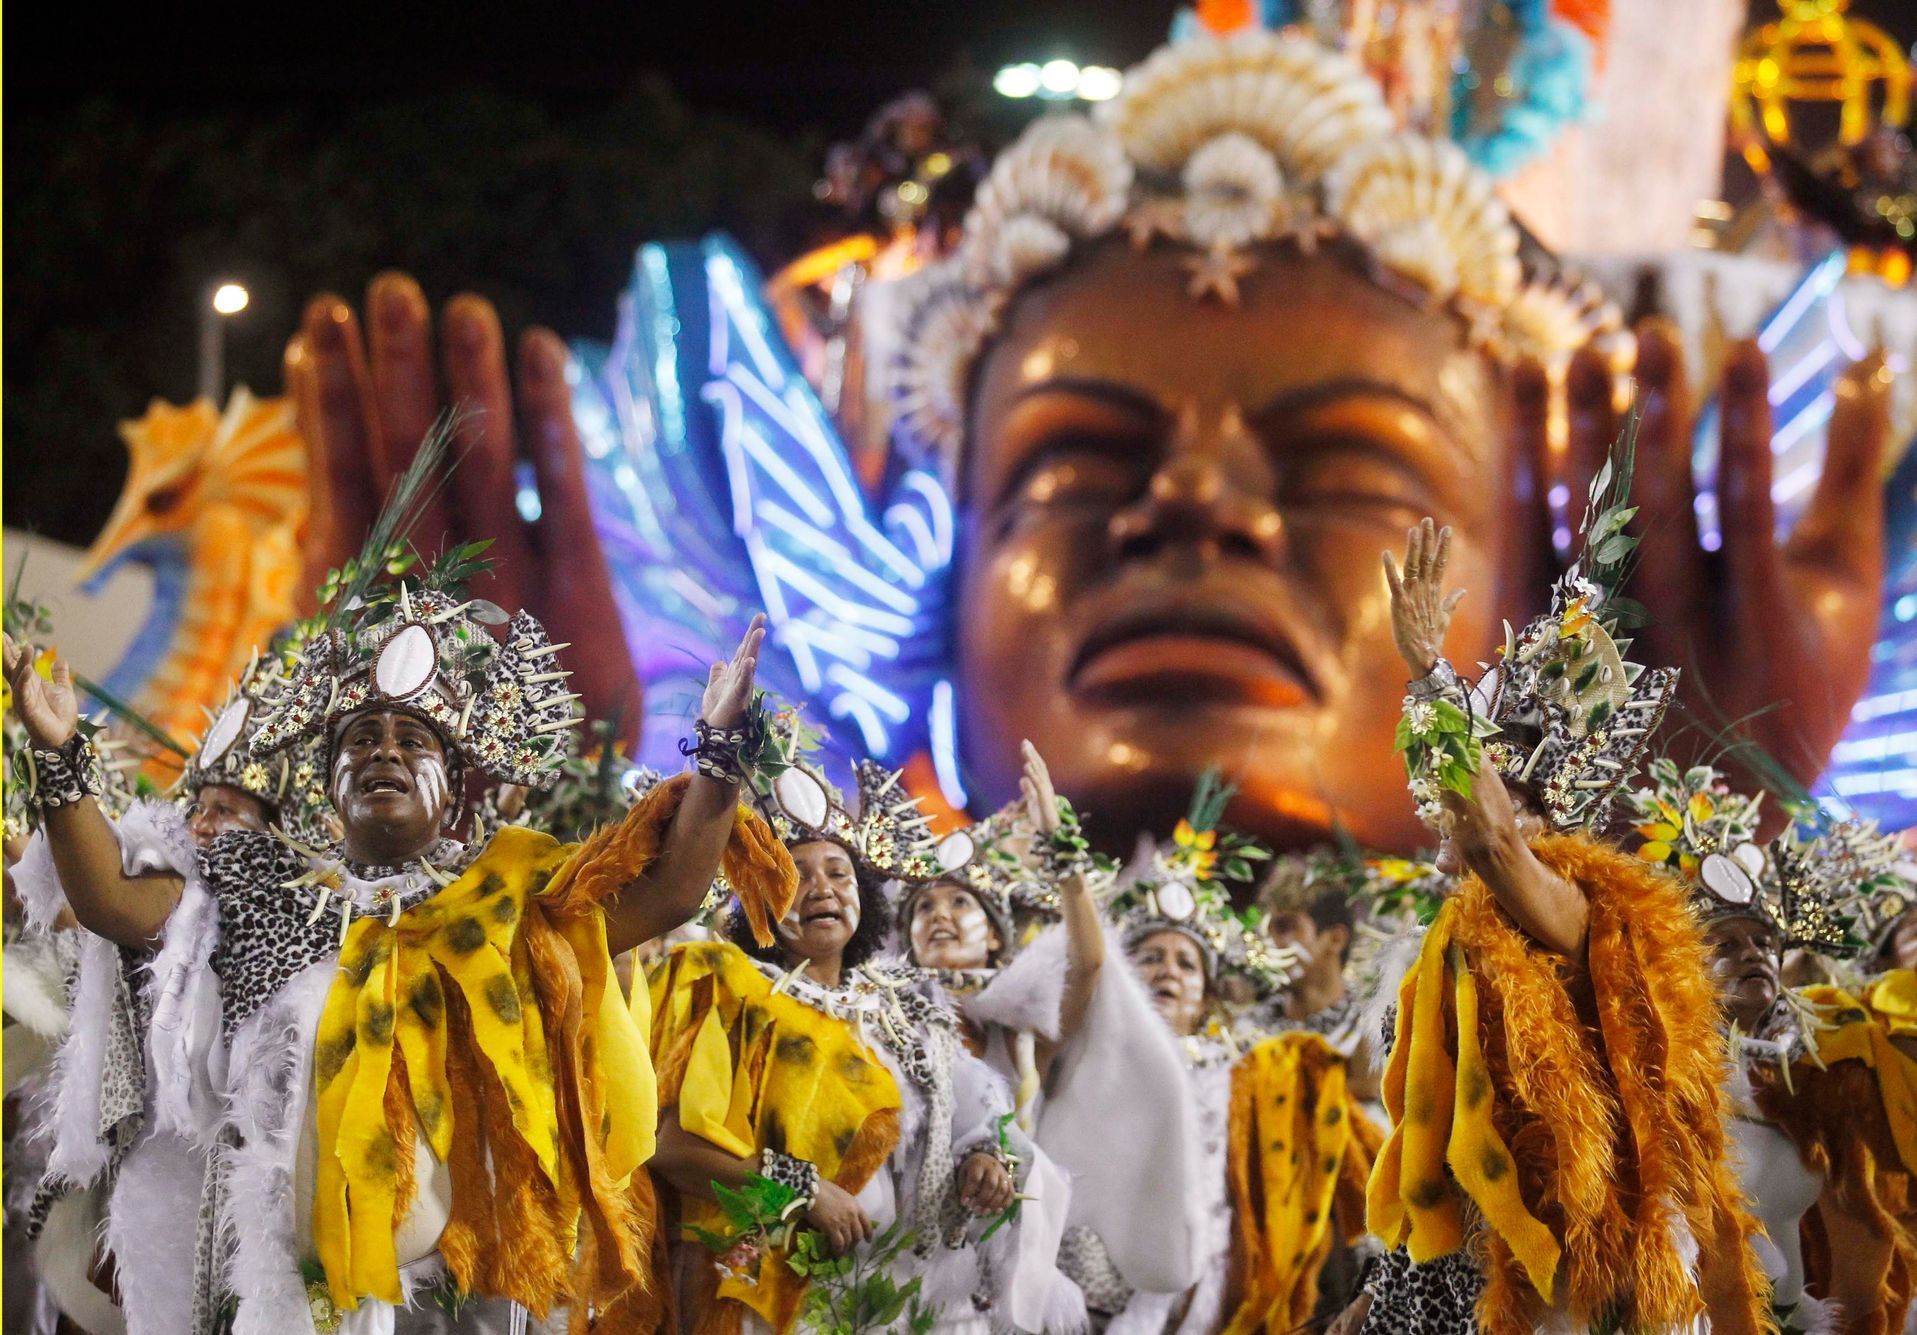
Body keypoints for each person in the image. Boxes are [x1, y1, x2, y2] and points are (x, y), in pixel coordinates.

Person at [284, 25, 1893, 861]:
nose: (1194, 501)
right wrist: (476, 868)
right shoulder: (791, 1046)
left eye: (1345, 464)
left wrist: (1683, 845)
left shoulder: (1552, 1069)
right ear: (943, 581)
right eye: (1074, 462)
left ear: (1540, 613)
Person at [4, 497, 794, 1333]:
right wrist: (58, 757)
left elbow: (669, 891)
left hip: (461, 1289)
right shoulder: (258, 883)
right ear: (329, 782)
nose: (384, 750)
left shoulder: (507, 898)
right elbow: (114, 904)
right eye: (361, 739)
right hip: (282, 1283)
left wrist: (719, 748)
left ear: (452, 788)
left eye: (413, 740)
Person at [1347, 503, 1768, 1334]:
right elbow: (1438, 1148)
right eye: (1441, 809)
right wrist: (1382, 1293)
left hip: (1570, 1278)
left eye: (1468, 801)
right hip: (1457, 1278)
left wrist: (1432, 673)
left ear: (1543, 823)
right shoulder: (1445, 939)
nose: (1449, 820)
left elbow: (1495, 844)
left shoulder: (1576, 909)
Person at [646, 755, 1084, 1335]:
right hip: (766, 1301)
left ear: (865, 896)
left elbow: (975, 1127)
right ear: (758, 895)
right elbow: (672, 1151)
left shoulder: (905, 1013)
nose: (821, 889)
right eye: (796, 874)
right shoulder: (735, 996)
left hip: (892, 1304)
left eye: (838, 872)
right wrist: (801, 1192)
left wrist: (982, 1162)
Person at [894, 741, 1204, 1313]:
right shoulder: (882, 1023)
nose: (939, 916)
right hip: (895, 1258)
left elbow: (1088, 964)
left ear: (994, 936)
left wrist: (1061, 852)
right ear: (906, 940)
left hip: (990, 1277)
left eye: (959, 905)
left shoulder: (1014, 1035)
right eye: (923, 908)